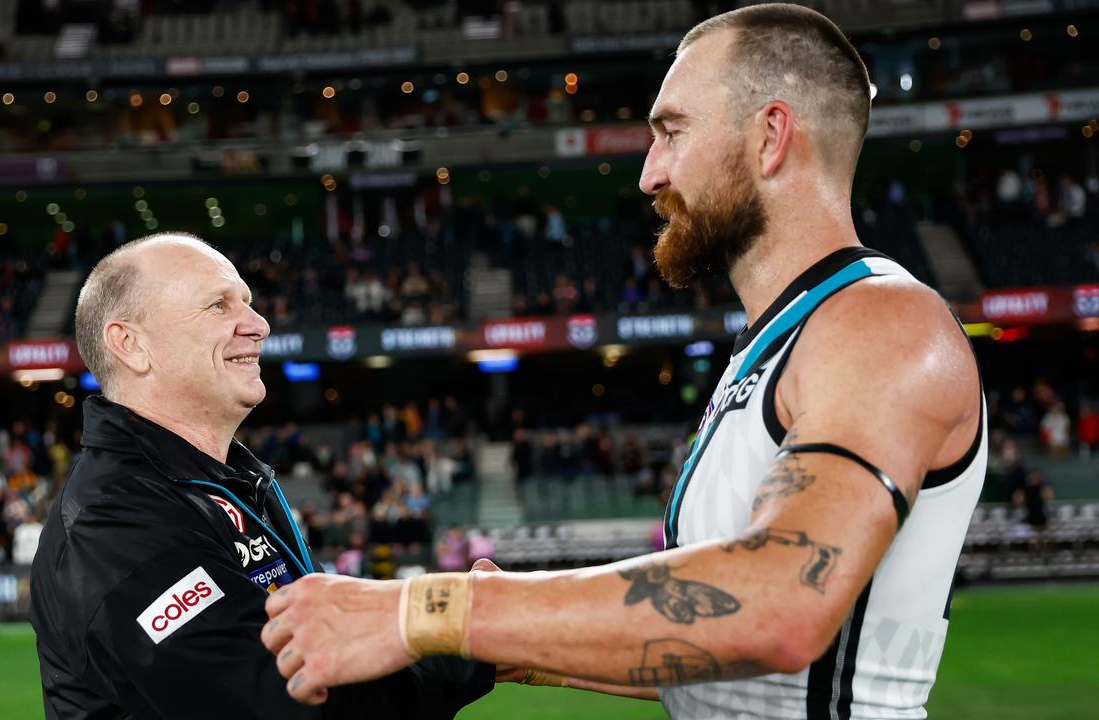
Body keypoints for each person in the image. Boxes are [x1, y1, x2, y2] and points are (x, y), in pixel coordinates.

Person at [260, 6, 988, 719]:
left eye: (672, 132)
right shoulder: (777, 346)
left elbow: (779, 609)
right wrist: (516, 643)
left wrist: (428, 608)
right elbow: (724, 662)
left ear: (770, 136)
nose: (649, 174)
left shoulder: (881, 321)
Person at [29, 232, 492, 718]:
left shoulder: (231, 481)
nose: (259, 324)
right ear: (130, 344)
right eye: (218, 305)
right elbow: (295, 703)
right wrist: (472, 634)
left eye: (247, 303)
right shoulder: (112, 526)